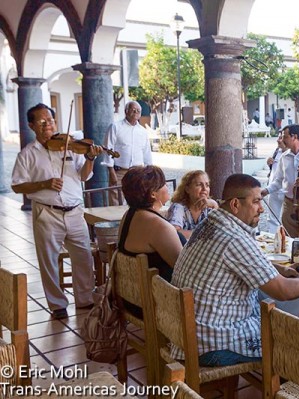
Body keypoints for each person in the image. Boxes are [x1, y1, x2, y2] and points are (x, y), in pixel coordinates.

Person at [171, 174, 299, 366]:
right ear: (235, 204)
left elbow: (237, 263)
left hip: (188, 332)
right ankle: (285, 391)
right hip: (212, 343)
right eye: (256, 201)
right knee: (296, 338)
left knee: (279, 321)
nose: (262, 208)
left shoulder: (211, 222)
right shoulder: (233, 237)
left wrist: (278, 270)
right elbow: (283, 291)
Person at [11, 103, 102, 319]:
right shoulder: (27, 154)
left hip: (74, 211)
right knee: (49, 260)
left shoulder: (69, 146)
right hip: (47, 213)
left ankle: (85, 299)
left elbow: (83, 176)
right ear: (32, 125)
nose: (47, 125)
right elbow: (17, 185)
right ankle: (57, 304)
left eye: (50, 121)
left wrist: (90, 158)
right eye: (42, 122)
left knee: (83, 257)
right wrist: (44, 184)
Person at [119, 165, 183, 284]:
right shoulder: (159, 226)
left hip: (134, 296)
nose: (167, 186)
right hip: (162, 298)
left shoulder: (130, 214)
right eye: (163, 183)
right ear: (153, 194)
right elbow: (185, 269)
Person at [103, 100, 152, 205]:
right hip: (120, 171)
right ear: (126, 111)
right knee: (116, 200)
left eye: (138, 111)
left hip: (138, 172)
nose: (135, 112)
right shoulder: (115, 127)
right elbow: (108, 148)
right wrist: (111, 172)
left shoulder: (143, 132)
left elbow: (146, 152)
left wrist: (149, 171)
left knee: (137, 200)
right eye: (133, 110)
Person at [167, 170, 219, 240]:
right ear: (187, 189)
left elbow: (220, 232)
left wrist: (215, 205)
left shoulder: (210, 208)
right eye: (199, 185)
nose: (204, 189)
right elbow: (173, 233)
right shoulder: (179, 207)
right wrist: (205, 234)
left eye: (207, 185)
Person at [265, 132, 286, 233]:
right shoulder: (277, 151)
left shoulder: (292, 154)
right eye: (278, 138)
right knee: (272, 217)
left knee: (286, 219)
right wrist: (269, 162)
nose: (278, 140)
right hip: (273, 189)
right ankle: (273, 238)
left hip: (285, 191)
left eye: (281, 138)